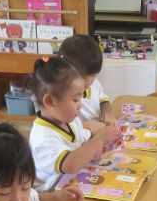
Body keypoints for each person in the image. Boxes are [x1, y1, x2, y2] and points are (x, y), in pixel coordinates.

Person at [28, 56, 119, 192]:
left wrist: (101, 138)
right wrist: (99, 140)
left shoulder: (70, 120)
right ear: (50, 101)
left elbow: (83, 141)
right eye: (75, 100)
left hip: (73, 182)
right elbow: (71, 164)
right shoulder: (42, 137)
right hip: (52, 196)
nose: (80, 105)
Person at [58, 34, 115, 130]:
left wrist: (107, 110)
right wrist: (86, 126)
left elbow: (102, 97)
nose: (92, 82)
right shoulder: (58, 94)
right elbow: (57, 127)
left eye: (95, 75)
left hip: (97, 132)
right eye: (84, 85)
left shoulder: (93, 83)